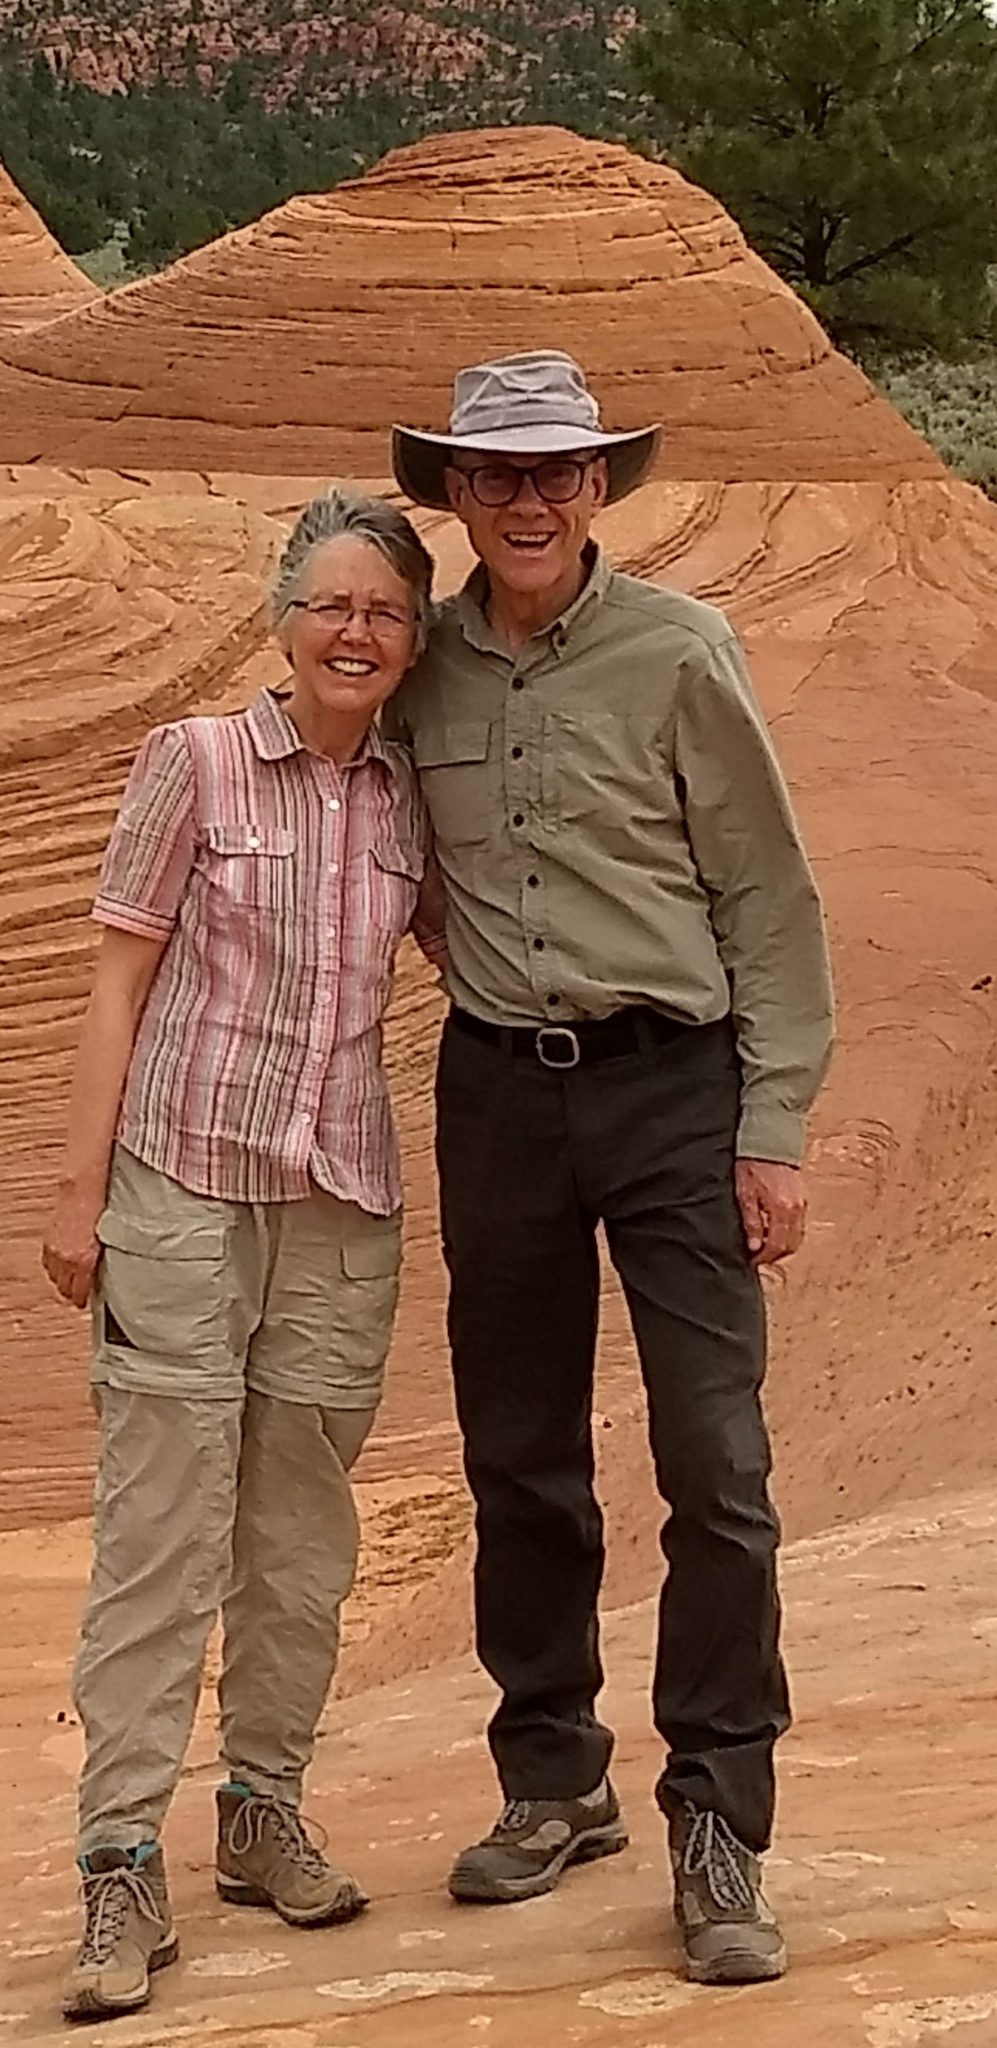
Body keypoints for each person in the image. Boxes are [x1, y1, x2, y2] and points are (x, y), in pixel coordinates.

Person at [388, 350, 834, 1985]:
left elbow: (769, 904)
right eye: (492, 475)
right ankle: (552, 1780)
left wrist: (770, 1128)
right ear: (450, 493)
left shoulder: (678, 651)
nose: (523, 500)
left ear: (598, 488)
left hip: (673, 1089)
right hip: (498, 1091)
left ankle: (718, 1820)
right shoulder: (414, 666)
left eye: (553, 473)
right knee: (519, 1451)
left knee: (713, 1459)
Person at [41, 487, 443, 2024]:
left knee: (299, 1535)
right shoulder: (196, 762)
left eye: (386, 613)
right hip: (182, 1188)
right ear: (281, 619)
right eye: (332, 604)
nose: (356, 632)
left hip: (341, 1204)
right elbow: (115, 981)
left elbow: (483, 944)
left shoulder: (412, 793)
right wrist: (78, 1196)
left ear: (414, 643)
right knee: (162, 1525)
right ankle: (121, 1857)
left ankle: (261, 1804)